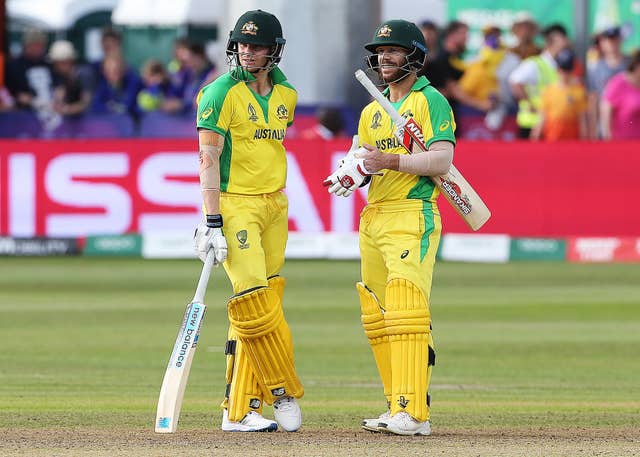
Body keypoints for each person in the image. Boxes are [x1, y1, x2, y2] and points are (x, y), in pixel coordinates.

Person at [324, 19, 455, 436]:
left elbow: (441, 162)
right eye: (381, 51)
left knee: (406, 309)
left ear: (414, 56)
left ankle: (414, 413)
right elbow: (363, 159)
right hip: (374, 215)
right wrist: (353, 172)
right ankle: (396, 404)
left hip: (413, 214)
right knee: (377, 315)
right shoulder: (371, 110)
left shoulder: (430, 101)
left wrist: (389, 161)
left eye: (394, 51)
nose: (384, 58)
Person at [193, 9, 304, 433]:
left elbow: (269, 146)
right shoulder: (218, 92)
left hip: (275, 204)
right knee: (254, 298)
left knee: (264, 302)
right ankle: (281, 390)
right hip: (235, 204)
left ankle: (238, 409)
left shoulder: (286, 95)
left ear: (274, 51)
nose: (246, 51)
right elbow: (208, 157)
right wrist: (213, 219)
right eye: (241, 42)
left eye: (256, 45)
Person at [509, 23, 569, 139]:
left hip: (551, 124)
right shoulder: (534, 64)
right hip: (531, 122)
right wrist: (530, 104)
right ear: (550, 44)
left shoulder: (560, 66)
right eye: (561, 44)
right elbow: (514, 81)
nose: (564, 47)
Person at [421, 20, 492, 117]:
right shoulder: (442, 58)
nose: (466, 38)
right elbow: (454, 90)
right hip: (439, 116)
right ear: (451, 35)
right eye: (463, 33)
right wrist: (481, 104)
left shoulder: (457, 59)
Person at [532, 48, 587, 141]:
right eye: (562, 70)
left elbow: (582, 119)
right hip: (552, 137)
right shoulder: (548, 91)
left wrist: (585, 138)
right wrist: (536, 135)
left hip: (572, 139)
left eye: (567, 71)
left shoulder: (579, 91)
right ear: (557, 70)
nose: (564, 74)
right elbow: (542, 116)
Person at [587, 26, 629, 139]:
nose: (611, 43)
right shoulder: (595, 68)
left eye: (614, 39)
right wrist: (593, 129)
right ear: (601, 43)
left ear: (620, 40)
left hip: (629, 123)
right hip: (605, 124)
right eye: (607, 39)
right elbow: (593, 99)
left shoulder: (631, 65)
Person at [600, 49, 640, 140]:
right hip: (622, 143)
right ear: (637, 65)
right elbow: (605, 111)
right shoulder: (618, 83)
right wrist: (607, 138)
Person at [49, 40, 91, 117]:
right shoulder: (62, 76)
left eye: (56, 63)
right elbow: (59, 96)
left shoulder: (84, 74)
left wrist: (66, 110)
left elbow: (86, 103)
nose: (55, 67)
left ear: (68, 61)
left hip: (91, 124)